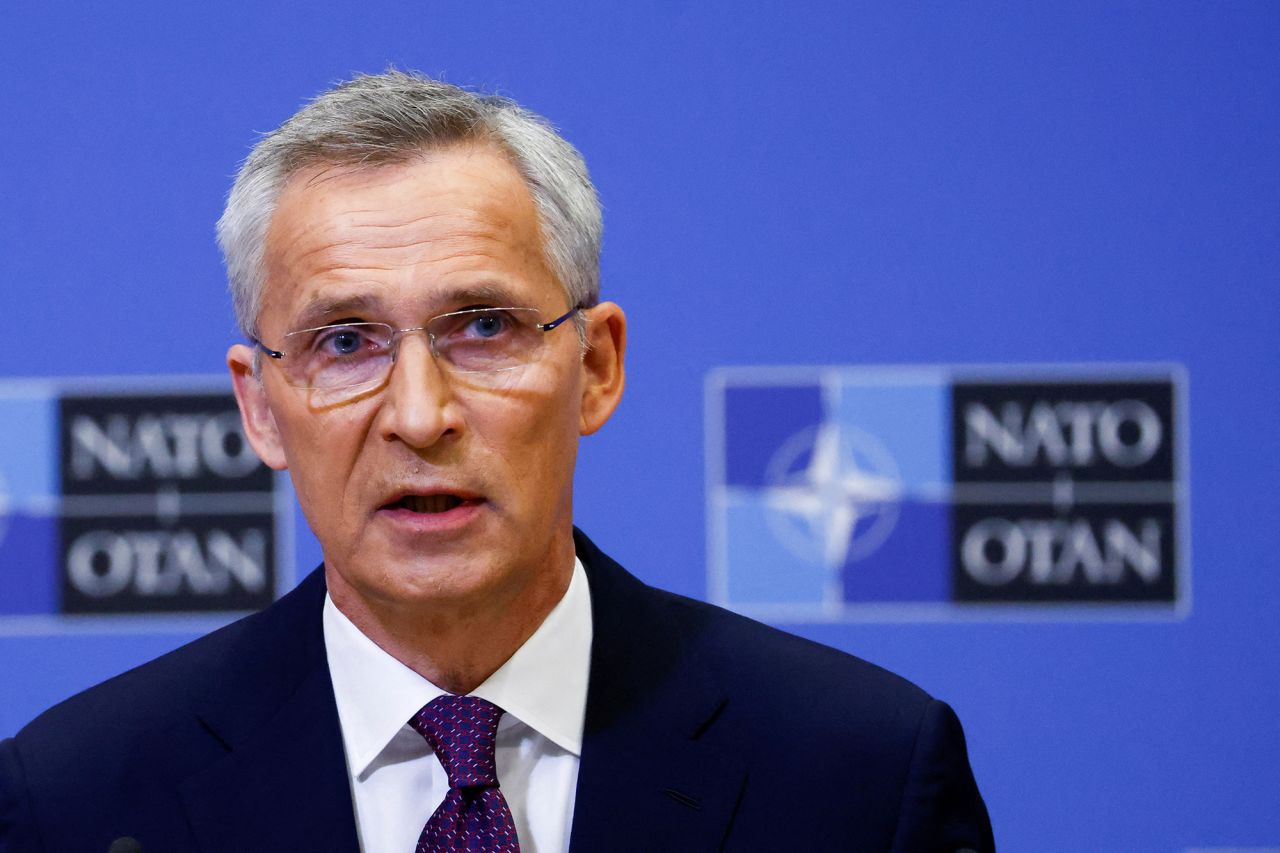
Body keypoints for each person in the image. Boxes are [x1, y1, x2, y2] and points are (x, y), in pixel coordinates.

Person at [0, 71, 994, 852]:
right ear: (260, 406)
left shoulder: (855, 776)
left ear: (596, 366)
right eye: (344, 343)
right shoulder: (81, 799)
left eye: (481, 326)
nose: (420, 414)